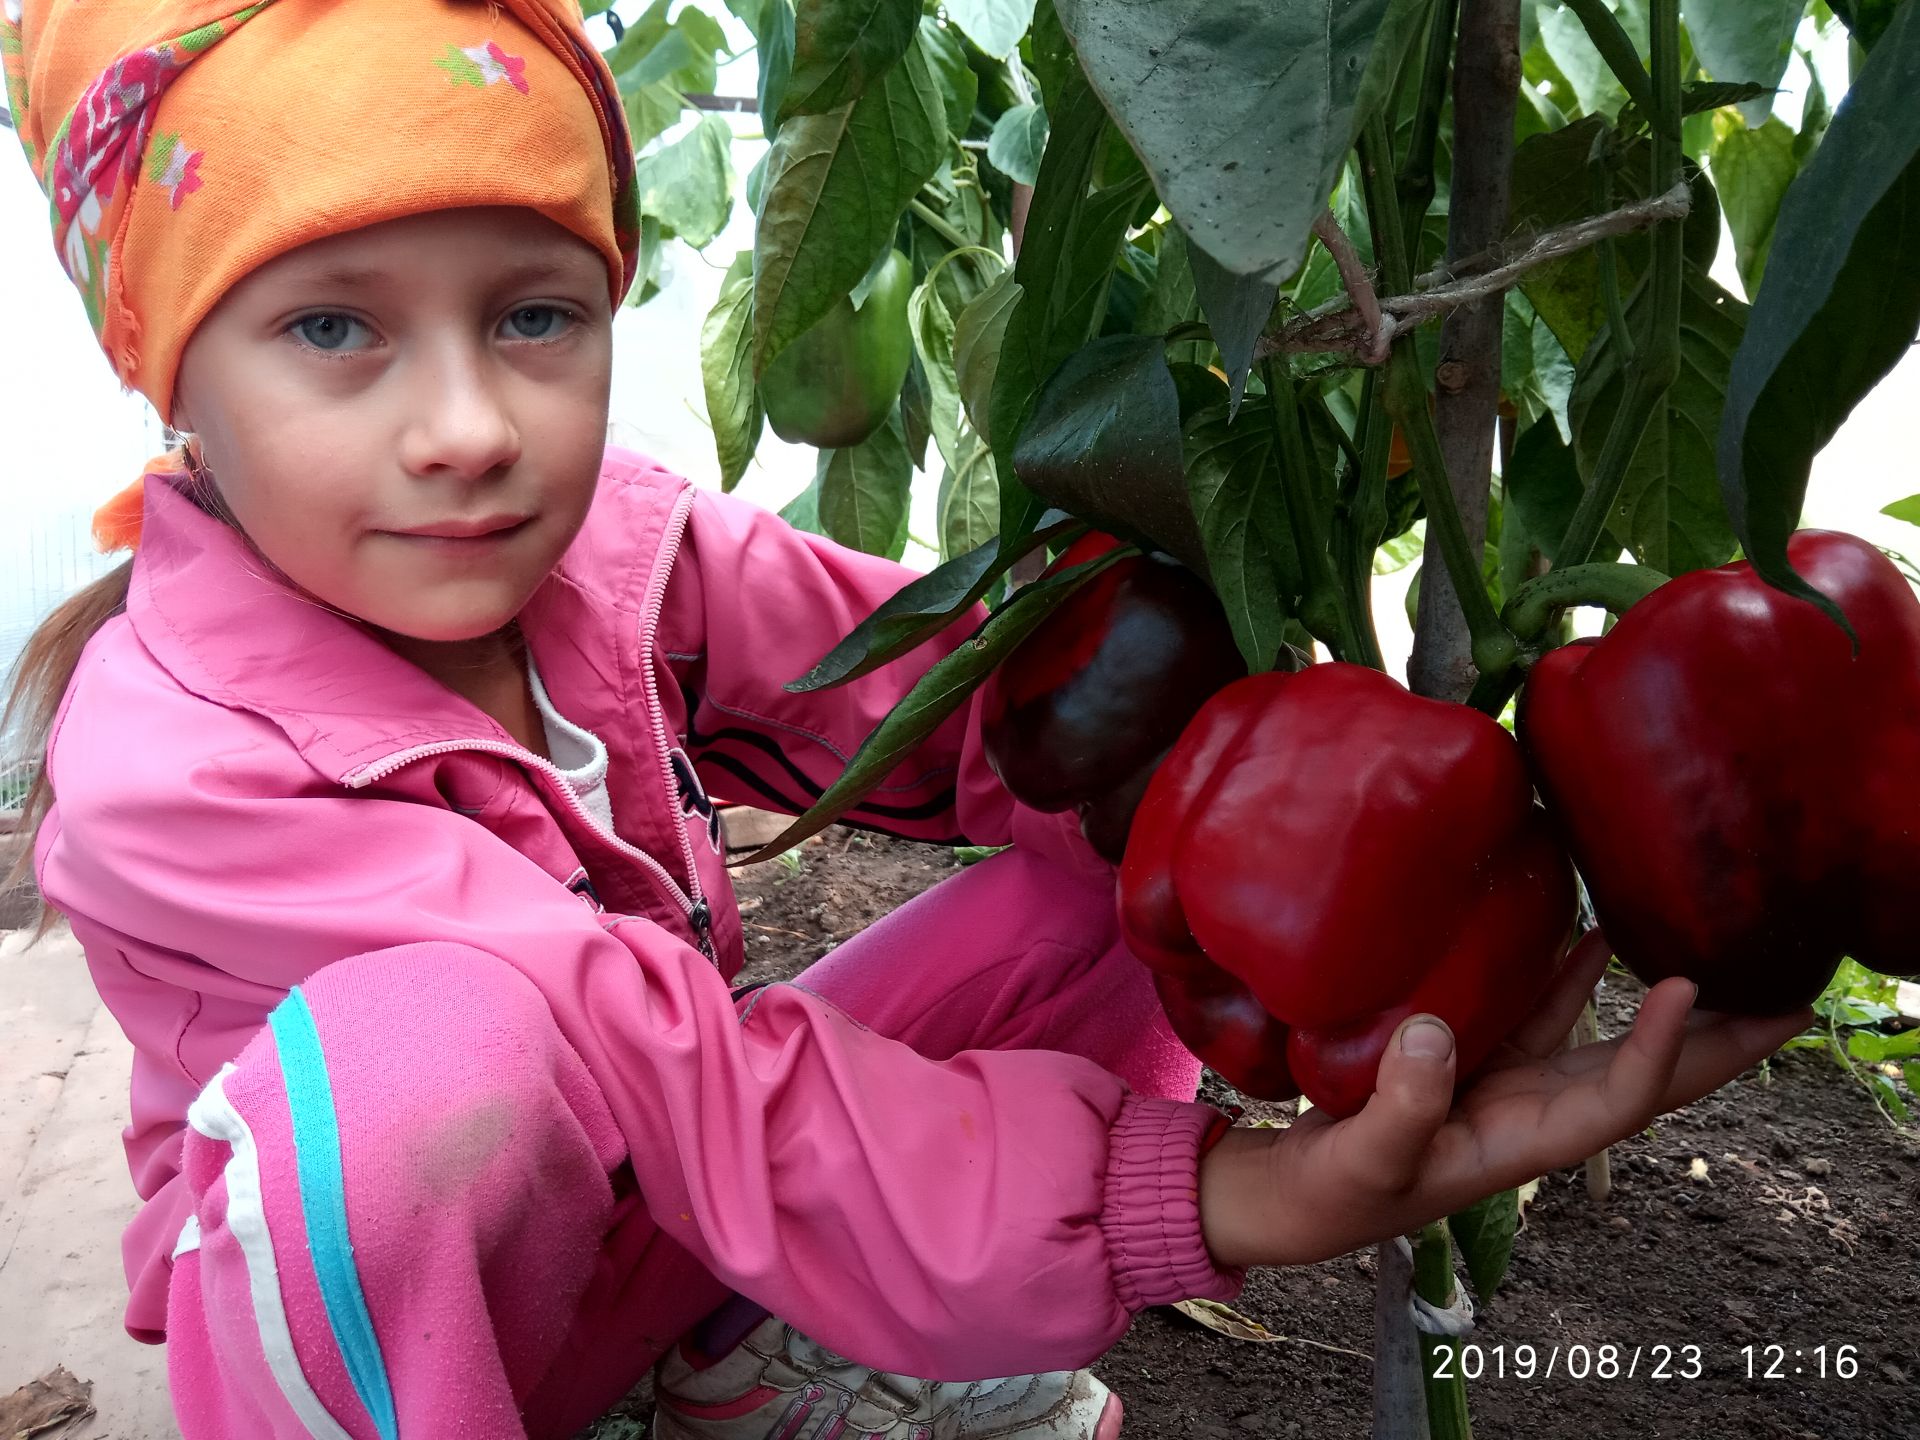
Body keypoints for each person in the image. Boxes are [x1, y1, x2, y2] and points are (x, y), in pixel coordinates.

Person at [0, 3, 1813, 1438]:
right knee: (416, 1086)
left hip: (672, 1206)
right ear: (171, 370)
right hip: (422, 1334)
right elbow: (665, 1066)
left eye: (535, 311)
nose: (469, 424)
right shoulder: (177, 768)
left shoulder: (609, 562)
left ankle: (718, 1362)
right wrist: (1216, 1201)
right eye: (335, 331)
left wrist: (1322, 784)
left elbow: (950, 695)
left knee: (1114, 839)